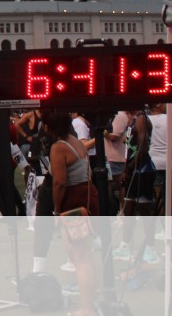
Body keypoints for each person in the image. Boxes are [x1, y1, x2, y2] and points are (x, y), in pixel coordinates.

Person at [46, 111, 99, 316]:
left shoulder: (58, 147)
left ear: (48, 128)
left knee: (80, 259)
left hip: (74, 201)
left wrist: (57, 210)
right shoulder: (76, 141)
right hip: (88, 196)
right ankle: (90, 303)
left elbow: (59, 182)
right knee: (86, 257)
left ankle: (86, 309)